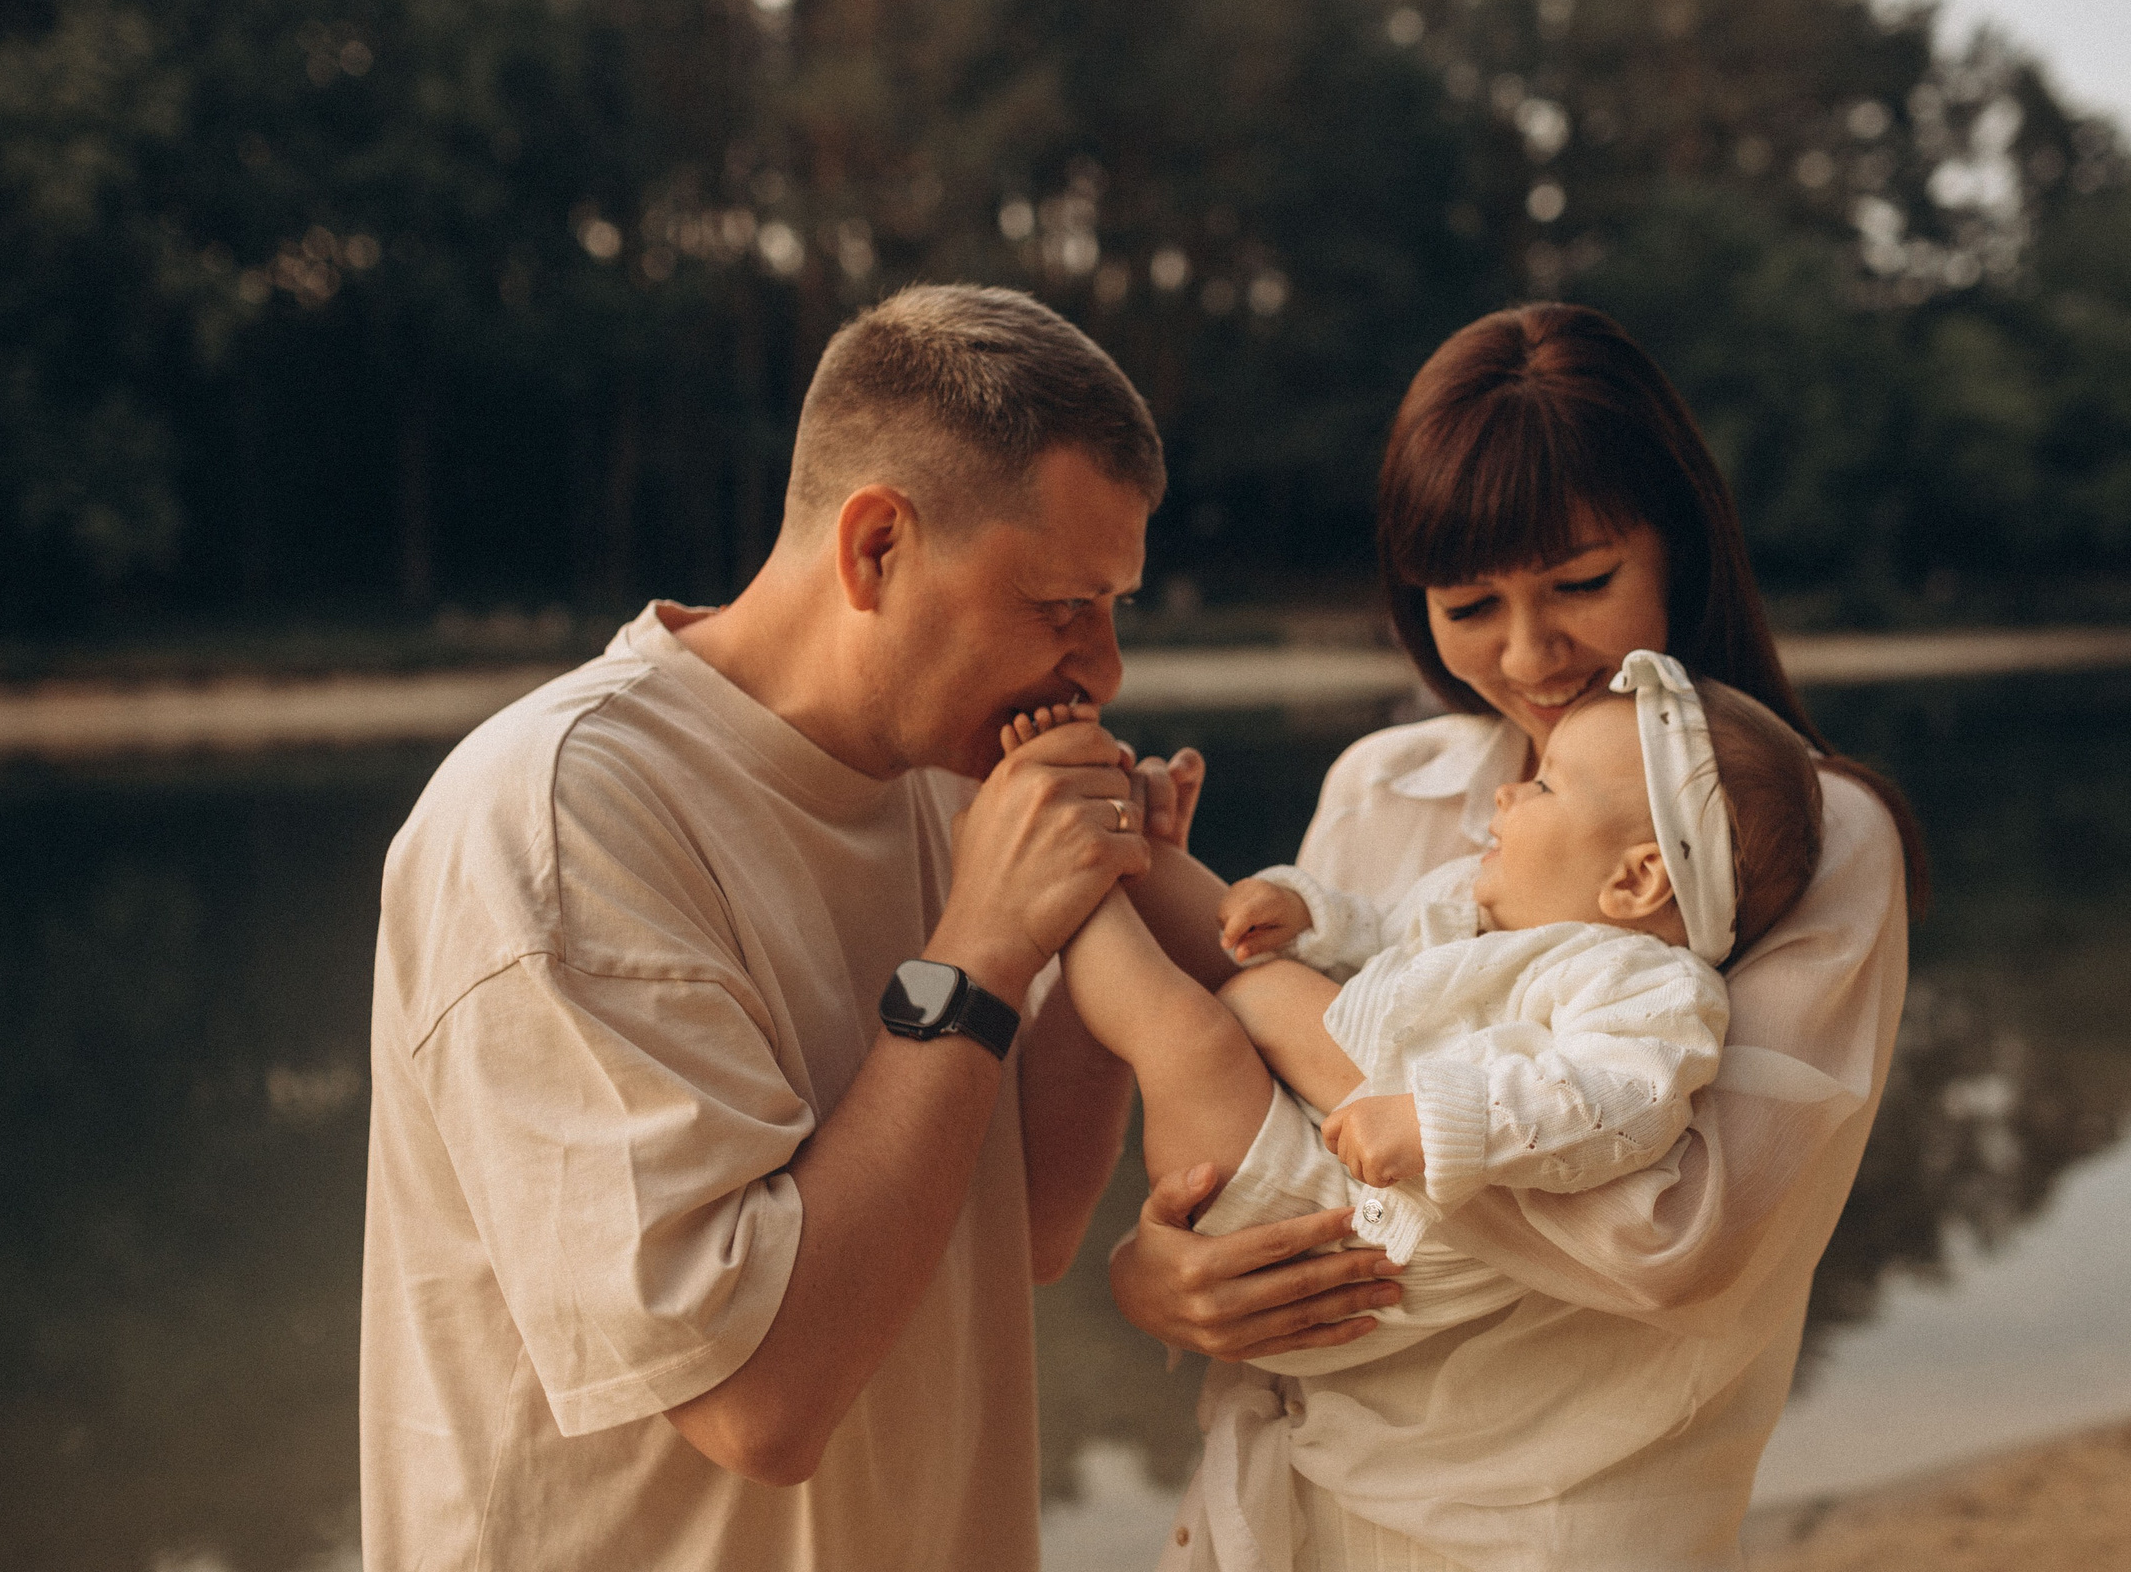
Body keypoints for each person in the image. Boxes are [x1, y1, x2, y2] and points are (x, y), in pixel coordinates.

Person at [356, 284, 1401, 1572]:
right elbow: (758, 1403)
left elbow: (1019, 1229)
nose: (1104, 669)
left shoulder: (953, 776)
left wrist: (1098, 932)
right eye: (1059, 606)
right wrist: (982, 952)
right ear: (876, 547)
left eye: (1115, 608)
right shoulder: (563, 819)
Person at [1107, 303, 1926, 1571]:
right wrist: (1158, 1280)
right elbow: (1288, 1149)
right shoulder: (1384, 784)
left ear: (1680, 548)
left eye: (1582, 585)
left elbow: (1670, 1236)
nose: (1532, 653)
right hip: (1282, 1498)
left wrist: (1292, 1023)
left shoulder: (1811, 840)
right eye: (1468, 603)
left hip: (1549, 1529)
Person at [1030, 651, 1821, 1385]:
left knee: (1185, 1034)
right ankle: (1091, 821)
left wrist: (1440, 1122)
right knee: (1211, 918)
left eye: (1545, 787)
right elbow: (1382, 937)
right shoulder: (1479, 901)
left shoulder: (1651, 985)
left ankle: (1056, 874)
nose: (1510, 793)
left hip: (1330, 1226)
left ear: (1637, 879)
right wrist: (1308, 914)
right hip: (1299, 1119)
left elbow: (1621, 1102)